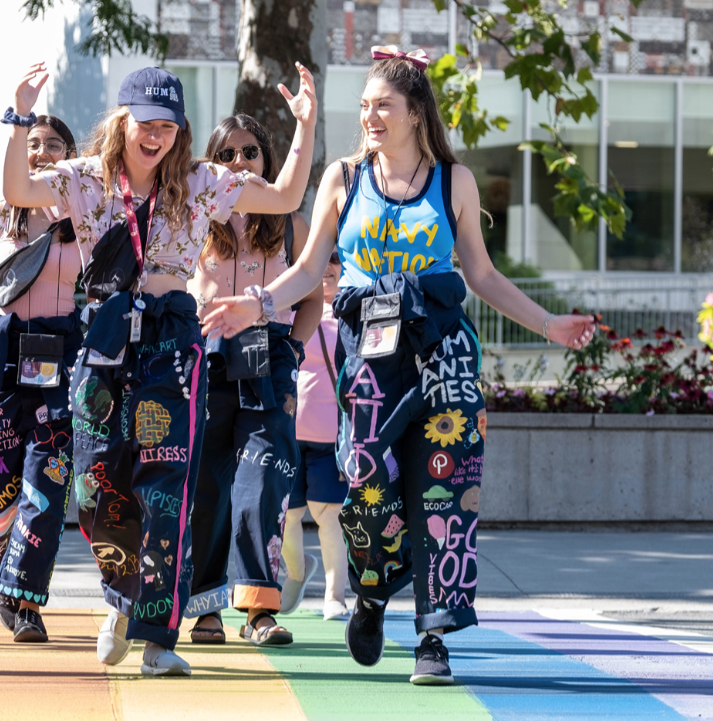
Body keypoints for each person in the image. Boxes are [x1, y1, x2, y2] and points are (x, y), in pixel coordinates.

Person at [201, 46, 595, 685]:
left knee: (444, 492)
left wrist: (549, 325)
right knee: (366, 489)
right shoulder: (343, 178)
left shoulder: (453, 182)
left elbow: (483, 274)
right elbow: (307, 270)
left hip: (444, 357)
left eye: (383, 105)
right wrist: (257, 304)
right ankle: (375, 594)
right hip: (370, 362)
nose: (370, 116)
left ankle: (434, 636)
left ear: (416, 112)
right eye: (364, 106)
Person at [1, 61, 316, 676]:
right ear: (123, 122)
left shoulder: (199, 182)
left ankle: (158, 638)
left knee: (167, 487)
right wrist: (18, 118)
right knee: (94, 486)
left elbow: (284, 198)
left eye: (168, 127)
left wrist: (304, 126)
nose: (156, 136)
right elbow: (18, 190)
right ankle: (123, 599)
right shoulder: (86, 179)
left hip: (172, 337)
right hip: (107, 336)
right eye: (145, 124)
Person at [185, 115, 322, 647]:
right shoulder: (196, 216)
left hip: (271, 363)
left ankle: (259, 608)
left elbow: (311, 295)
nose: (239, 164)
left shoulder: (292, 225)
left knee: (263, 481)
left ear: (267, 160)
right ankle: (205, 610)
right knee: (208, 486)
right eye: (228, 155)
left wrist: (293, 345)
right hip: (210, 361)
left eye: (250, 153)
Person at [0, 114, 82, 643]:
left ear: (71, 154)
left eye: (53, 144)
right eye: (32, 144)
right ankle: (6, 577)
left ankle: (26, 600)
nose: (42, 152)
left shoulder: (87, 219)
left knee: (48, 479)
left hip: (62, 356)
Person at [279, 251, 351, 621]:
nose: (328, 268)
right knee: (288, 517)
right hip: (290, 436)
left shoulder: (349, 314)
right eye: (321, 261)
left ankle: (335, 595)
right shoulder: (293, 313)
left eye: (335, 261)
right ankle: (297, 570)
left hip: (330, 439)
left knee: (329, 516)